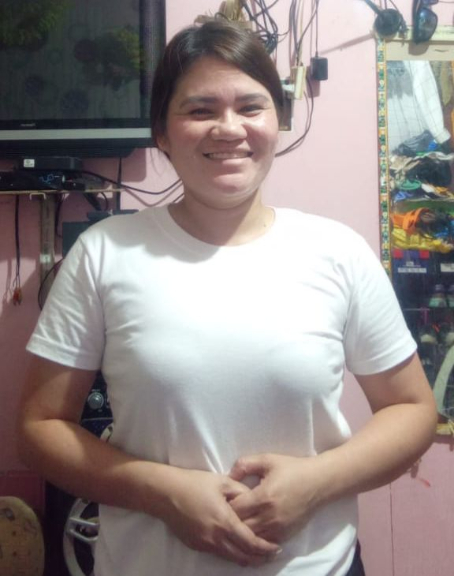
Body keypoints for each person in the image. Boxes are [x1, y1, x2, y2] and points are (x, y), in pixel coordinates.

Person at [17, 19, 437, 576]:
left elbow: (412, 410)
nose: (228, 128)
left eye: (250, 106)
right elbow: (40, 428)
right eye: (200, 110)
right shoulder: (105, 252)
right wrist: (162, 492)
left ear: (277, 119)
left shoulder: (338, 252)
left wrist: (316, 483)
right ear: (162, 133)